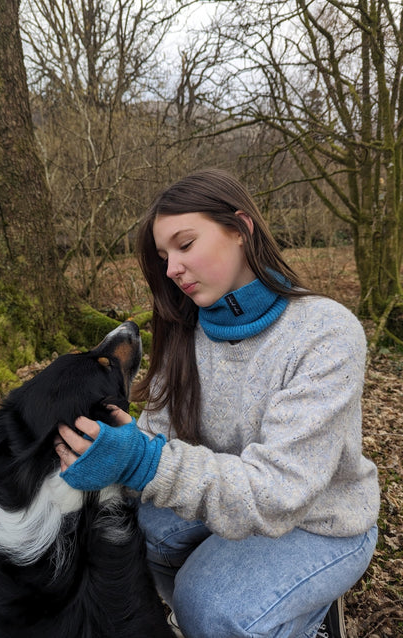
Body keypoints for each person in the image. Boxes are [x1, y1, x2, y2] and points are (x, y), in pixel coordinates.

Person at [55, 169, 380, 638]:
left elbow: (276, 493)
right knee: (133, 535)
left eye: (184, 245)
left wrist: (143, 460)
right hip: (234, 501)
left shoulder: (326, 332)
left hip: (319, 521)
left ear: (241, 229)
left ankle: (298, 620)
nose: (170, 269)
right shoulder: (186, 330)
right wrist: (96, 460)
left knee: (209, 605)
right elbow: (157, 439)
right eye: (164, 256)